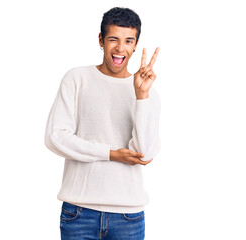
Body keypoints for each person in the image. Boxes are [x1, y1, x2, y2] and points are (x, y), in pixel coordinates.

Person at [44, 7, 161, 240]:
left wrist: (141, 97)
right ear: (101, 40)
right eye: (113, 39)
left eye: (129, 40)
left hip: (128, 216)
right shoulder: (77, 78)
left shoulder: (147, 93)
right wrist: (111, 154)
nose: (120, 48)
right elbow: (55, 137)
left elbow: (145, 154)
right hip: (79, 212)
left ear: (136, 45)